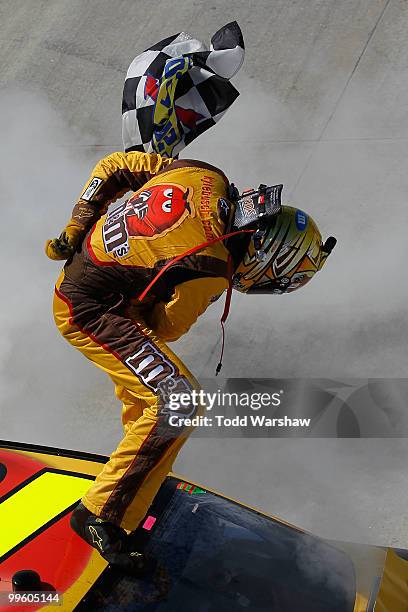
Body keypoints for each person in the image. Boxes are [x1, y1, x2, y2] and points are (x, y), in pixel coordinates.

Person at [46, 150, 335, 574]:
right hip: (88, 310)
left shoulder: (203, 175)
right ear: (269, 260)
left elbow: (113, 166)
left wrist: (80, 219)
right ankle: (98, 513)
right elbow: (165, 327)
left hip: (81, 270)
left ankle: (136, 479)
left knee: (153, 387)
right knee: (177, 400)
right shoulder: (212, 267)